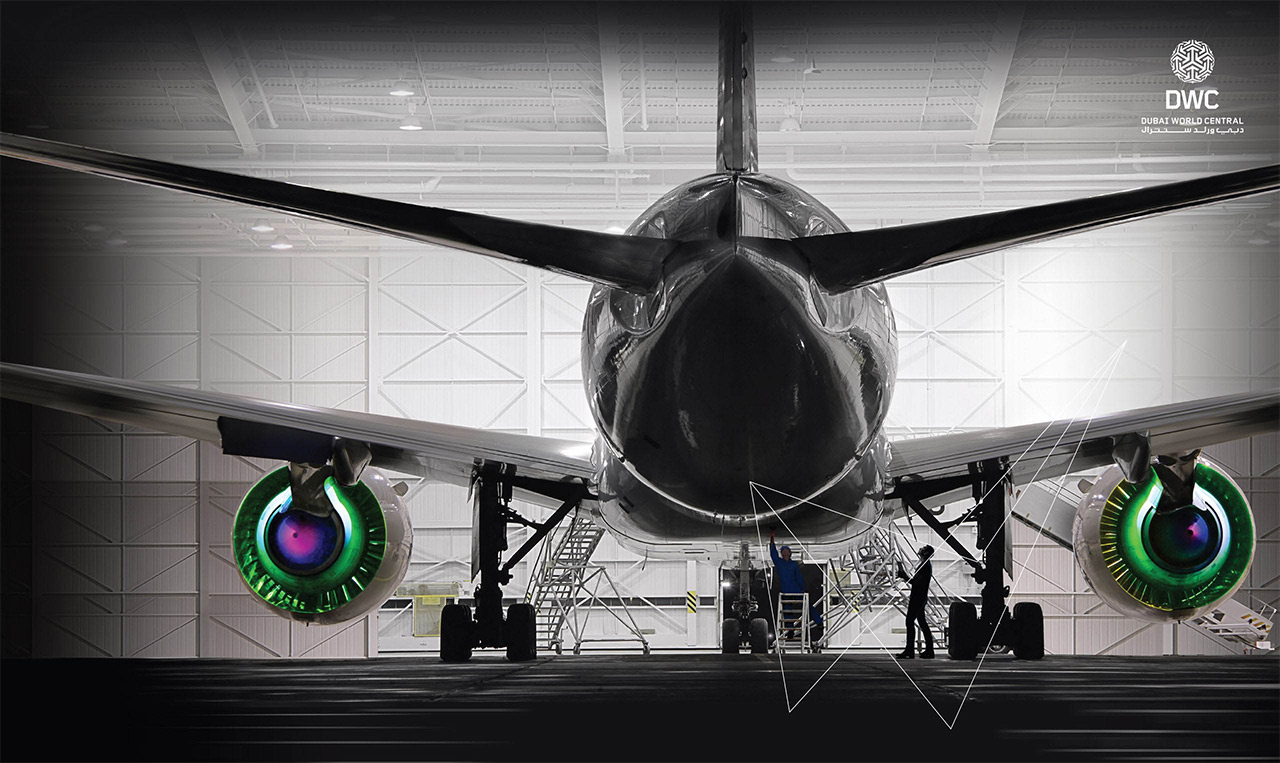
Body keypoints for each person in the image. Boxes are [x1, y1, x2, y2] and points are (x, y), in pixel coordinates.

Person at [769, 530, 822, 638]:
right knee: (787, 611)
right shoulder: (779, 563)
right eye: (783, 550)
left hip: (795, 589)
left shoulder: (793, 565)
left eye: (786, 550)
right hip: (786, 589)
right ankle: (790, 630)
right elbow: (773, 553)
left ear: (789, 553)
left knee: (807, 606)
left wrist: (803, 588)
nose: (785, 552)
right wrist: (772, 539)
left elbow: (798, 577)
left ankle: (819, 622)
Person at [895, 544, 935, 659]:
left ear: (926, 553)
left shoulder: (924, 565)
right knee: (922, 623)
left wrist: (904, 576)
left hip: (918, 597)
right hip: (921, 596)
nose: (920, 548)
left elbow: (916, 582)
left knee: (909, 621)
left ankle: (909, 650)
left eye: (923, 548)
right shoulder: (925, 564)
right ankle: (929, 650)